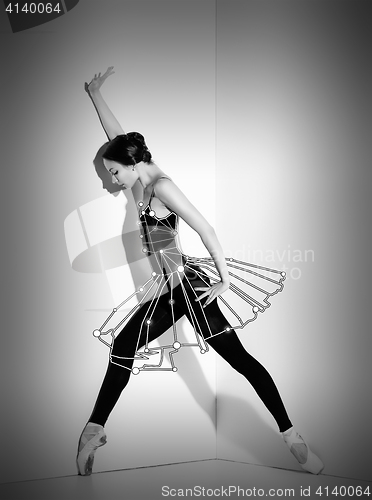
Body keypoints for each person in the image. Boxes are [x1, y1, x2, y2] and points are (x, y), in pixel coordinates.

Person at [76, 67, 323, 477]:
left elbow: (205, 228)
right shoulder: (141, 180)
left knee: (238, 360)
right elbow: (117, 137)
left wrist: (224, 280)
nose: (111, 180)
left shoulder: (161, 187)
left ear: (130, 165)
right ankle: (93, 429)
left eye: (113, 172)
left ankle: (292, 436)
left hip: (188, 289)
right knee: (135, 346)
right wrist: (95, 96)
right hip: (174, 290)